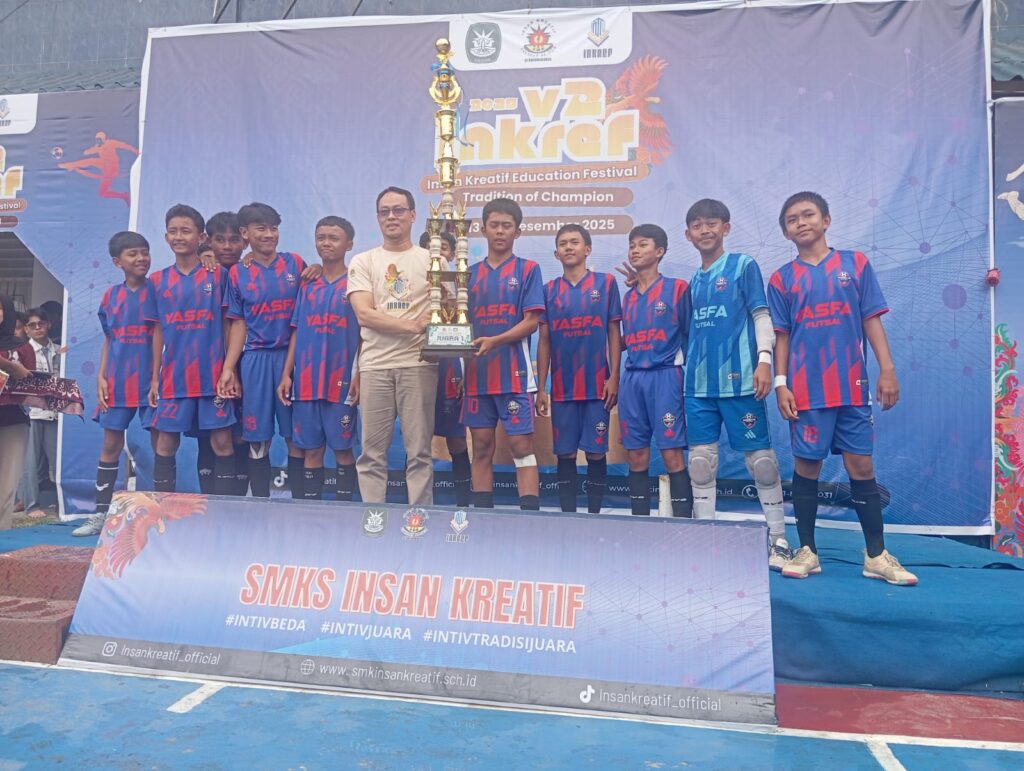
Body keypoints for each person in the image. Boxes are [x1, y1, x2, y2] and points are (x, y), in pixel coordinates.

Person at [768, 191, 917, 585]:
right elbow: (782, 336)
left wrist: (887, 369)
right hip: (806, 390)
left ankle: (876, 555)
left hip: (851, 387)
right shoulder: (782, 278)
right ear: (786, 232)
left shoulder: (855, 264)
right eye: (792, 219)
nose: (801, 222)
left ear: (826, 220)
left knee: (861, 466)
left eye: (808, 215)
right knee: (807, 466)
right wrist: (781, 384)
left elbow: (871, 319)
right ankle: (807, 551)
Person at [682, 199, 792, 569]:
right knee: (700, 462)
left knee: (762, 462)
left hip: (741, 380)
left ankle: (778, 539)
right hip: (699, 385)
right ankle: (704, 537)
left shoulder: (743, 265)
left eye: (712, 223)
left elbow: (761, 315)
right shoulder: (693, 282)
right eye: (697, 225)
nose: (705, 230)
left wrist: (764, 361)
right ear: (688, 234)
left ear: (726, 228)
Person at [347, 186, 438, 505]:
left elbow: (447, 312)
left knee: (419, 453)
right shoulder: (364, 261)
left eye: (398, 210)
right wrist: (413, 325)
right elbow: (364, 314)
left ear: (413, 215)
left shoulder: (433, 260)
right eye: (384, 211)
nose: (391, 216)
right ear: (377, 218)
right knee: (371, 454)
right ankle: (374, 519)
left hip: (419, 364)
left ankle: (420, 519)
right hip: (375, 366)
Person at [146, 204, 238, 494]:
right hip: (175, 378)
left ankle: (224, 511)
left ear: (201, 237)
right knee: (165, 442)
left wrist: (229, 369)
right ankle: (164, 509)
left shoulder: (219, 275)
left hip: (213, 376)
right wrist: (155, 378)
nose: (179, 237)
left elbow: (229, 324)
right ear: (165, 237)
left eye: (185, 231)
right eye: (173, 231)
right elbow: (157, 330)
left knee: (221, 441)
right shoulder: (157, 281)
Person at [219, 202, 307, 499]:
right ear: (245, 233)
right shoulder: (237, 273)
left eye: (273, 228)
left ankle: (299, 506)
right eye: (261, 228)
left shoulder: (296, 263)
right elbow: (239, 323)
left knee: (296, 437)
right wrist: (229, 368)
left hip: (292, 360)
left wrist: (318, 268)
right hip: (255, 360)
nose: (269, 234)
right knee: (257, 440)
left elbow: (317, 287)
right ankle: (260, 504)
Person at [73, 232, 158, 536]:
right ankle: (101, 515)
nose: (141, 258)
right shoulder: (110, 297)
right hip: (119, 383)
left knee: (161, 446)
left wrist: (157, 377)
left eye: (145, 252)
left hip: (152, 383)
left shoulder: (159, 290)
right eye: (133, 254)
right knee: (110, 445)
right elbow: (111, 339)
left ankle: (161, 516)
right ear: (117, 262)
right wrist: (101, 376)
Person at [464, 197, 545, 511]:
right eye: (494, 225)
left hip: (514, 375)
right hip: (477, 376)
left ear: (517, 232)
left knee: (521, 447)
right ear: (483, 229)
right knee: (481, 447)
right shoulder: (467, 275)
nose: (500, 231)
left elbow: (532, 322)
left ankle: (529, 517)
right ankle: (482, 517)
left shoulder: (528, 270)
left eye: (506, 226)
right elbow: (460, 326)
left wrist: (495, 341)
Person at [536, 224, 622, 514]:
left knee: (596, 452)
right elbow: (544, 341)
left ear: (588, 249)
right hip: (563, 388)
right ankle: (568, 517)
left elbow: (614, 332)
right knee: (565, 454)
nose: (569, 247)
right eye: (563, 243)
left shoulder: (606, 283)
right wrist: (541, 388)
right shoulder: (548, 291)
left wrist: (614, 376)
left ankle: (595, 515)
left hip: (598, 386)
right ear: (556, 254)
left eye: (574, 242)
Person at [277, 216, 361, 501]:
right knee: (312, 450)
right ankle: (311, 510)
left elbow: (365, 336)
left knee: (343, 450)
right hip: (306, 383)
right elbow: (297, 330)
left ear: (349, 244)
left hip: (342, 382)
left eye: (333, 238)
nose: (326, 243)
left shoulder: (357, 284)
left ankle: (344, 509)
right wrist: (287, 374)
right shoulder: (307, 284)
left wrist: (360, 374)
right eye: (321, 237)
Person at [618, 224, 693, 517]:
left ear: (659, 251)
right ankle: (640, 523)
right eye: (632, 245)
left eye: (643, 244)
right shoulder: (628, 297)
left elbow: (691, 334)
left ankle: (684, 527)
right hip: (633, 379)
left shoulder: (677, 288)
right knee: (636, 455)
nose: (635, 250)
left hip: (665, 377)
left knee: (672, 454)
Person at [196, 212, 250, 496]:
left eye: (234, 240)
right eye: (220, 240)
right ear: (208, 241)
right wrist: (201, 256)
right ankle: (208, 508)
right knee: (210, 435)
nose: (227, 246)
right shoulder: (201, 271)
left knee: (240, 436)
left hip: (244, 364)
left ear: (245, 241)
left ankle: (237, 507)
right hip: (206, 366)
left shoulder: (248, 269)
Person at [419, 229, 471, 508]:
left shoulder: (459, 285)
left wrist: (465, 370)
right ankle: (415, 504)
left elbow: (468, 332)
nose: (437, 254)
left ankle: (464, 505)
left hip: (450, 366)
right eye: (430, 248)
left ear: (453, 254)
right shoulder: (412, 280)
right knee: (417, 440)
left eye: (443, 249)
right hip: (417, 363)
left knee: (456, 440)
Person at [17, 308, 61, 518]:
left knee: (58, 460)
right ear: (26, 329)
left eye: (40, 324)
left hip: (55, 413)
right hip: (31, 413)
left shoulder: (60, 350)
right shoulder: (22, 351)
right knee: (31, 462)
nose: (37, 328)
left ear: (48, 324)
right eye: (32, 325)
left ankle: (63, 502)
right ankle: (31, 505)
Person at [0, 294, 35, 530]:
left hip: (13, 420)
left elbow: (30, 383)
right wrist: (11, 367)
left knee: (6, 486)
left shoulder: (22, 347)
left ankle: (2, 537)